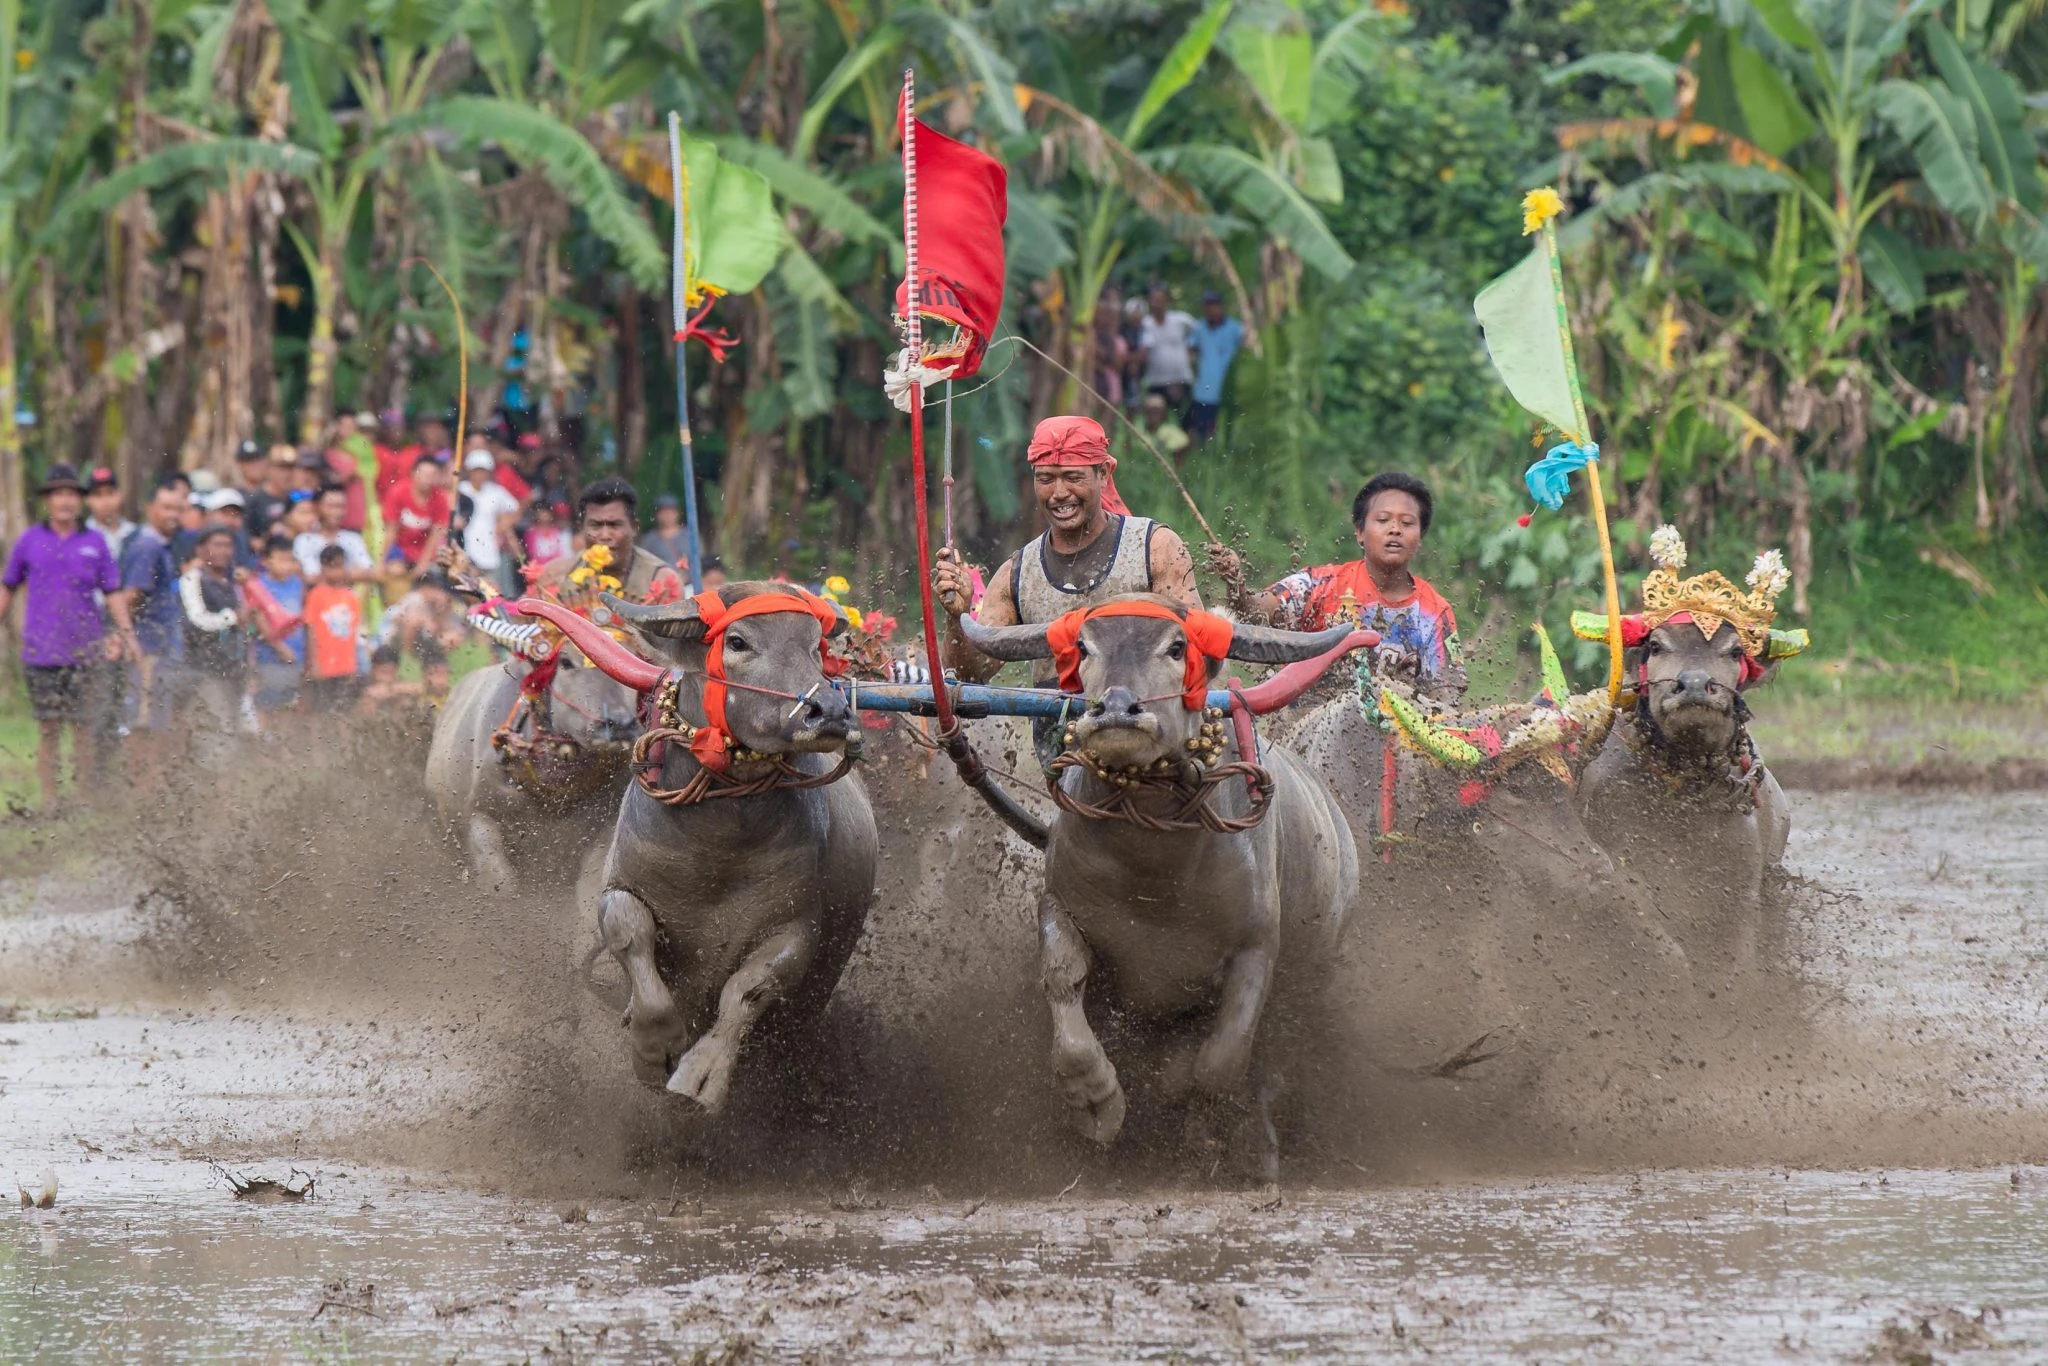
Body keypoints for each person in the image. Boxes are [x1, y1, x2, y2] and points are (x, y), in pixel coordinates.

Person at [933, 416, 1198, 770]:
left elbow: (1198, 649)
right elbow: (969, 676)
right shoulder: (1016, 573)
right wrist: (957, 617)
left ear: (1103, 475)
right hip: (1064, 759)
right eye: (1046, 479)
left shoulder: (1156, 548)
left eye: (1073, 477)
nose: (1059, 493)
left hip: (1154, 745)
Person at [1223, 471, 1466, 697]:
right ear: (1359, 532)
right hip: (1304, 730)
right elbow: (1253, 613)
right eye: (1383, 520)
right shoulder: (1320, 585)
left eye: (1407, 523)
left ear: (1420, 537)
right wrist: (1237, 586)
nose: (1395, 530)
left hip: (1396, 734)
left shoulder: (1435, 613)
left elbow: (1445, 696)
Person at [0, 465, 132, 810]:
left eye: (72, 494)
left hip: (86, 651)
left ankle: (83, 798)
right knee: (48, 729)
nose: (65, 500)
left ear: (80, 500)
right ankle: (50, 801)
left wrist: (125, 632)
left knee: (83, 729)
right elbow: (8, 586)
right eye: (58, 494)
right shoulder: (29, 540)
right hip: (40, 652)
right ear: (47, 500)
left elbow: (114, 590)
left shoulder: (95, 542)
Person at [118, 479, 190, 783]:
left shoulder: (164, 547)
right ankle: (142, 795)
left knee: (158, 720)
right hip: (147, 650)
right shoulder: (148, 547)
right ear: (150, 509)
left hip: (162, 651)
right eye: (166, 507)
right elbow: (130, 596)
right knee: (143, 723)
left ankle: (153, 790)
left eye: (178, 508)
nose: (173, 514)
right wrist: (126, 637)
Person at [531, 476, 686, 603]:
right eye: (596, 525)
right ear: (582, 528)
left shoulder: (664, 581)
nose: (605, 535)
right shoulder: (554, 575)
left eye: (614, 525)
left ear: (634, 527)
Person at [177, 524, 248, 767]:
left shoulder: (232, 584)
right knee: (216, 733)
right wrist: (231, 617)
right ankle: (214, 795)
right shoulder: (192, 579)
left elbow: (244, 632)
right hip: (203, 669)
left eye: (228, 545)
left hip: (233, 669)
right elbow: (196, 619)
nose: (224, 551)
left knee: (234, 733)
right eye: (217, 544)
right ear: (201, 549)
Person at [248, 535, 306, 726]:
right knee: (267, 706)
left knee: (289, 709)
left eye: (290, 560)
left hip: (297, 655)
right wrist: (279, 647)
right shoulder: (259, 586)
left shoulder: (297, 584)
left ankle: (285, 754)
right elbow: (259, 619)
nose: (286, 565)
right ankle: (265, 753)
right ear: (265, 561)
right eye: (281, 559)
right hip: (271, 658)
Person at [301, 544, 365, 715]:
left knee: (343, 711)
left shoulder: (350, 596)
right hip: (324, 665)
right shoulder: (316, 595)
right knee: (320, 711)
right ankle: (316, 742)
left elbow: (355, 634)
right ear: (323, 567)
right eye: (332, 567)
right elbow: (311, 630)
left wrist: (355, 664)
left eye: (340, 566)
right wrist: (314, 664)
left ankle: (343, 742)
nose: (337, 572)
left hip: (345, 665)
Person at [454, 450, 523, 595]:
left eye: (483, 471)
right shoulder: (460, 489)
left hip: (489, 549)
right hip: (465, 548)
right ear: (469, 470)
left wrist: (502, 526)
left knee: (490, 591)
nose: (479, 475)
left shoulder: (496, 492)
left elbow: (516, 510)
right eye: (476, 470)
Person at [380, 453, 450, 584]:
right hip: (399, 549)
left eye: (432, 475)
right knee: (395, 571)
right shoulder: (398, 492)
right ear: (413, 473)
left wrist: (423, 563)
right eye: (424, 474)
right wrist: (381, 561)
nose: (427, 479)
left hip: (425, 551)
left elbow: (435, 535)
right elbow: (391, 530)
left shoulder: (440, 498)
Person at [1186, 290, 1244, 444]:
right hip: (1203, 390)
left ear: (1221, 307)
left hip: (1226, 388)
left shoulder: (1234, 328)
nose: (1211, 309)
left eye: (1214, 305)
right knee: (1203, 432)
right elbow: (1191, 350)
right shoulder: (1199, 328)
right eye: (1208, 306)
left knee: (1226, 431)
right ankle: (1204, 460)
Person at [1134, 281, 1198, 410]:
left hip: (1181, 379)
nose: (1157, 303)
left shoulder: (1181, 320)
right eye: (1154, 300)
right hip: (1156, 381)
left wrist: (1193, 351)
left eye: (1160, 299)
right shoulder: (1145, 324)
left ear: (1167, 300)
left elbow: (1200, 333)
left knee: (1185, 420)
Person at [293, 484, 375, 583]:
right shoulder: (304, 540)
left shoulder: (353, 539)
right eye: (331, 506)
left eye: (341, 506)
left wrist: (330, 576)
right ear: (317, 507)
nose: (338, 512)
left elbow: (370, 572)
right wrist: (350, 574)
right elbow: (310, 577)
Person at [379, 570, 466, 659]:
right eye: (433, 588)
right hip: (396, 639)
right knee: (413, 621)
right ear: (424, 588)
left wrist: (442, 612)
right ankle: (407, 658)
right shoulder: (414, 598)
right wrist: (424, 621)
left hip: (424, 641)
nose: (437, 592)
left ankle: (437, 661)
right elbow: (399, 618)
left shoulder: (443, 604)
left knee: (453, 637)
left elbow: (449, 629)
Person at [85, 467, 137, 561]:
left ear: (120, 495)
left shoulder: (135, 534)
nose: (106, 501)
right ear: (88, 500)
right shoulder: (82, 537)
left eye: (110, 493)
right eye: (98, 495)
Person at [355, 642, 422, 714]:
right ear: (373, 669)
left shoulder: (400, 684)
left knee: (404, 699)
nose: (385, 678)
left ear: (396, 669)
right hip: (369, 721)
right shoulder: (362, 683)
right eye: (383, 672)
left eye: (390, 672)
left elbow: (420, 688)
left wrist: (391, 689)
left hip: (397, 719)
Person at [247, 446, 296, 542]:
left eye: (290, 468)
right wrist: (269, 536)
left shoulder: (295, 498)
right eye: (281, 468)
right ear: (269, 469)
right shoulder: (255, 500)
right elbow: (249, 539)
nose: (287, 474)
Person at [1129, 391, 1190, 462]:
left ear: (1164, 413)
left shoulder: (1172, 430)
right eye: (1150, 411)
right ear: (1145, 412)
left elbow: (1182, 448)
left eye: (1157, 411)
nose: (1153, 414)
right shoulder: (1137, 430)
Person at [642, 493, 691, 568]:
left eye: (671, 511)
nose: (667, 515)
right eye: (663, 512)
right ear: (657, 515)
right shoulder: (650, 539)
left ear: (678, 513)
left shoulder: (689, 535)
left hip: (688, 579)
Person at [523, 500, 572, 565]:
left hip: (556, 567)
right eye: (540, 522)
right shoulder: (530, 533)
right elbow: (533, 555)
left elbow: (560, 551)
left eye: (547, 522)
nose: (544, 515)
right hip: (539, 568)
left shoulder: (555, 531)